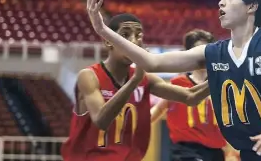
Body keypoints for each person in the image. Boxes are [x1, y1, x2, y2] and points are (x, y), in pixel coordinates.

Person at [85, 0, 261, 161]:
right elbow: (152, 63)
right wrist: (103, 30)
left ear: (251, 6)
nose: (221, 2)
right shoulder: (212, 53)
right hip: (254, 153)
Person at [61, 13, 210, 161]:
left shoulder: (145, 79)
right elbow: (101, 120)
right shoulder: (89, 76)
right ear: (108, 41)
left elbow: (191, 97)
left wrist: (221, 74)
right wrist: (133, 81)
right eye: (125, 35)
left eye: (138, 36)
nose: (133, 41)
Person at [151, 29, 228, 161]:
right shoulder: (178, 83)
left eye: (206, 51)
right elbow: (159, 108)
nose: (202, 55)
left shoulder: (223, 85)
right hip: (185, 151)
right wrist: (137, 125)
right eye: (197, 50)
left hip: (215, 151)